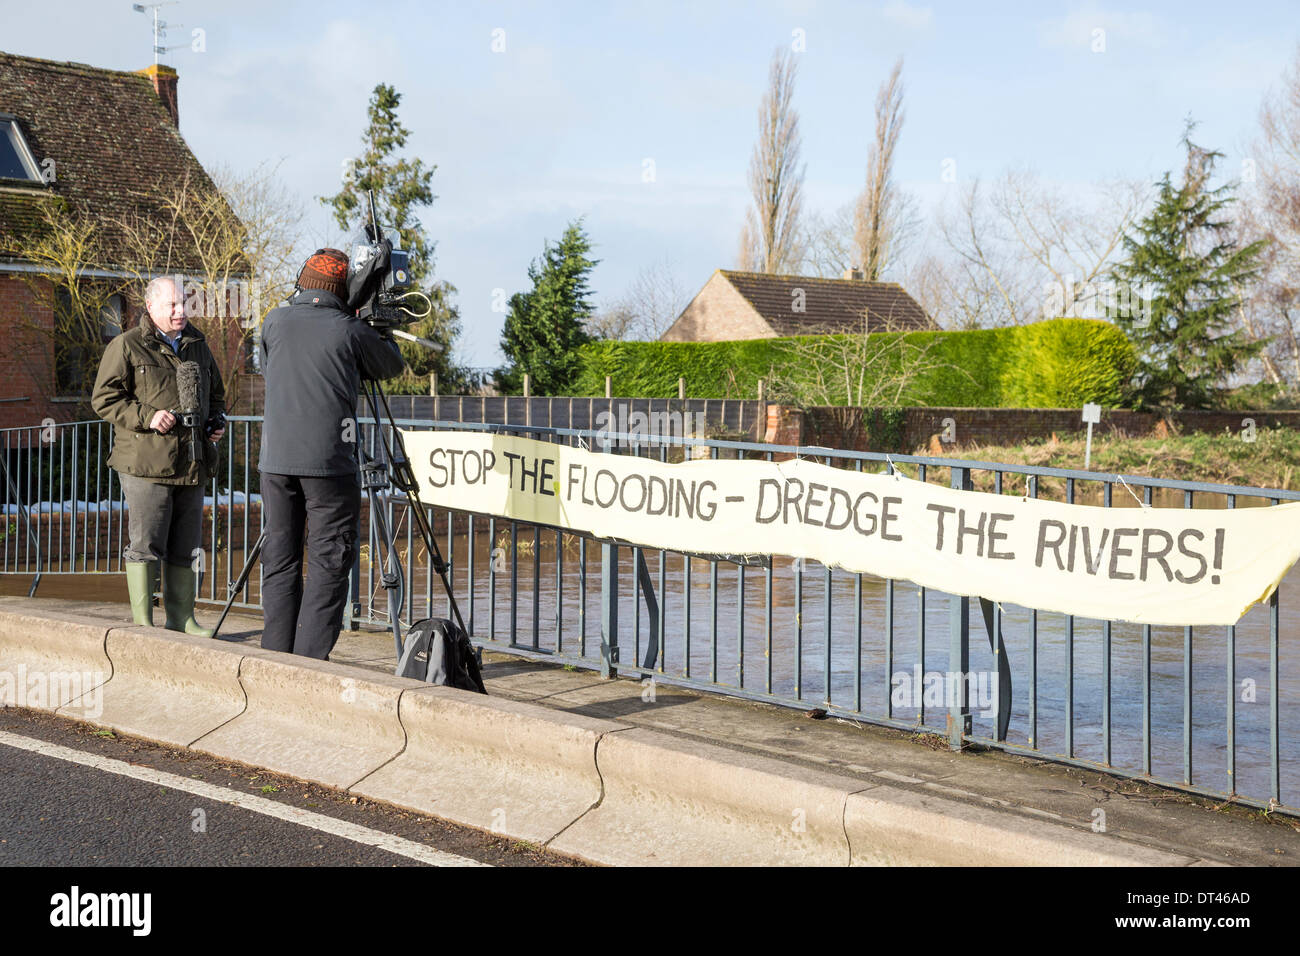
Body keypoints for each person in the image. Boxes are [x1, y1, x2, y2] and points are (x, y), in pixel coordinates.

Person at [258, 248, 405, 660]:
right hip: (328, 465)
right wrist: (379, 325)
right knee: (329, 560)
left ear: (302, 282)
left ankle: (274, 658)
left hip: (275, 462)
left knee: (281, 558)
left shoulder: (274, 321)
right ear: (344, 291)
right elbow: (390, 366)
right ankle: (308, 665)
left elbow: (269, 370)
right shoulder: (348, 329)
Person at [92, 275, 226, 634]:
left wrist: (216, 421)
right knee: (146, 543)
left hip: (191, 461)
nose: (181, 310)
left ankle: (182, 618)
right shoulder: (127, 345)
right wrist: (147, 417)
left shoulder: (198, 345)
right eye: (173, 305)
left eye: (183, 303)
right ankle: (144, 622)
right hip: (145, 463)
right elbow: (104, 399)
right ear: (150, 307)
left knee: (187, 545)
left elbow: (216, 393)